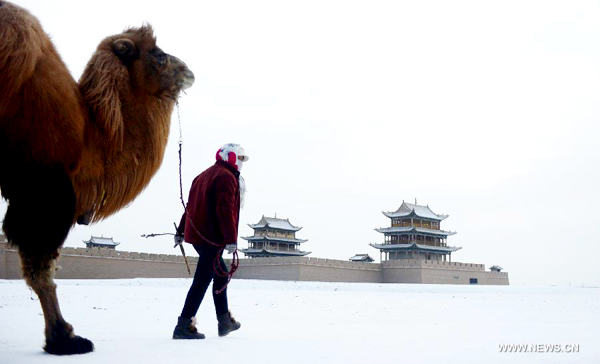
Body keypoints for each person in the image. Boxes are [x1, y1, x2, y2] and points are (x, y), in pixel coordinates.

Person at [172, 143, 248, 339]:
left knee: (221, 274)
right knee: (202, 280)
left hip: (199, 236)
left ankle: (224, 321)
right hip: (211, 238)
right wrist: (231, 239)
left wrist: (181, 231)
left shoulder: (203, 175)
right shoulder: (226, 177)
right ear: (229, 157)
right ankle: (183, 325)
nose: (241, 163)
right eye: (239, 158)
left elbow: (190, 206)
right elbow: (224, 209)